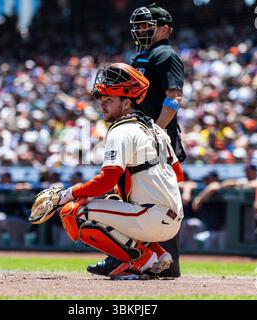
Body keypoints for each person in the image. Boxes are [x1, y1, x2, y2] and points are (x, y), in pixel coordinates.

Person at [31, 63, 184, 280]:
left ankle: (141, 259)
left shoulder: (121, 130)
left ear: (127, 102)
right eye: (102, 100)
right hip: (173, 219)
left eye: (109, 100)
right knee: (114, 195)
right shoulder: (155, 129)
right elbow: (178, 174)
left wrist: (65, 195)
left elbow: (106, 179)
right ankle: (159, 254)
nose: (103, 105)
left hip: (151, 218)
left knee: (73, 211)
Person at [87, 3, 186, 278]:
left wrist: (157, 131)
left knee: (159, 200)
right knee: (126, 197)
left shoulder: (165, 53)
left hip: (154, 141)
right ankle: (127, 257)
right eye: (139, 25)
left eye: (148, 25)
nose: (142, 30)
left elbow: (174, 97)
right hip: (138, 137)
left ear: (165, 28)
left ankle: (165, 264)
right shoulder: (141, 56)